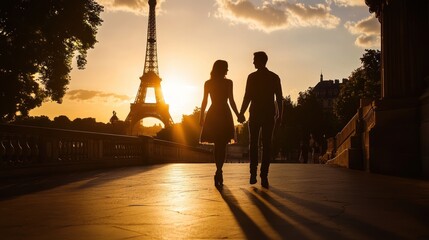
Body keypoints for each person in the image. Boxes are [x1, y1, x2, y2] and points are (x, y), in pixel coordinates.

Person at [238, 51, 283, 188]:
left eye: (254, 60)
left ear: (259, 61)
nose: (253, 62)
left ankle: (253, 174)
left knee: (253, 144)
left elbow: (247, 96)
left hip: (256, 113)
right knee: (267, 145)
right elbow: (279, 98)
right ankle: (264, 175)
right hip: (269, 114)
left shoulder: (252, 77)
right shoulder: (274, 77)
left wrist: (241, 113)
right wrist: (280, 115)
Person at [200, 60, 240, 188]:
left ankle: (218, 169)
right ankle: (219, 170)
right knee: (222, 145)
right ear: (222, 69)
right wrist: (238, 114)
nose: (228, 70)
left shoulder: (208, 83)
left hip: (213, 113)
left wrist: (201, 116)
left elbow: (204, 101)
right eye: (226, 68)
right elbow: (232, 101)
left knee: (217, 145)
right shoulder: (228, 83)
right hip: (224, 113)